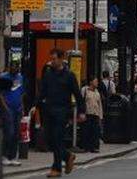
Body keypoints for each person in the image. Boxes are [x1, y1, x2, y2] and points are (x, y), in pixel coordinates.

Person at [38, 48, 84, 177]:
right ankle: (68, 155)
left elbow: (77, 94)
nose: (52, 61)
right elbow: (43, 92)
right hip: (49, 111)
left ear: (60, 58)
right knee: (50, 139)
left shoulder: (69, 76)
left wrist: (81, 111)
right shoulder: (48, 75)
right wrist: (34, 105)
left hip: (62, 111)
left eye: (54, 59)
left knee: (57, 138)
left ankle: (56, 168)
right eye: (51, 59)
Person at [80, 76, 103, 153]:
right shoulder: (84, 90)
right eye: (95, 81)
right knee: (86, 131)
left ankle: (94, 147)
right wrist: (81, 112)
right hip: (87, 113)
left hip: (95, 114)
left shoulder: (97, 92)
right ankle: (86, 147)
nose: (97, 83)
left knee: (95, 131)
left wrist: (100, 116)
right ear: (91, 82)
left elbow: (99, 105)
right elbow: (81, 101)